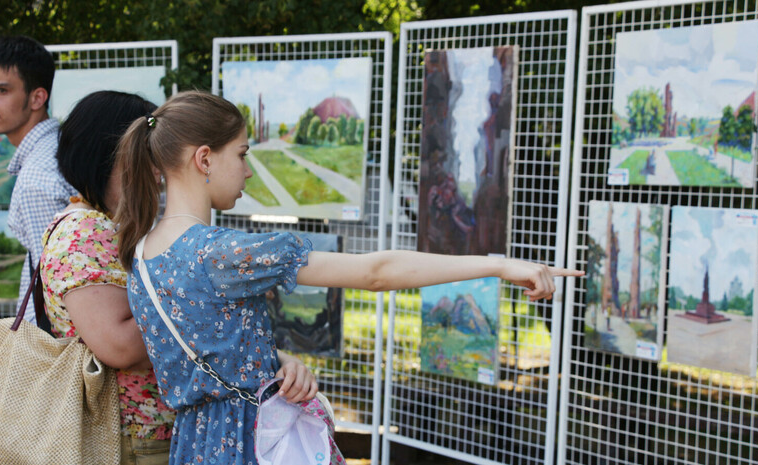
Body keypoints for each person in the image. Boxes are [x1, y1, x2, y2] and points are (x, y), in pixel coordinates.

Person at [113, 91, 583, 465]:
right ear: (204, 159)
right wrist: (498, 265)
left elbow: (211, 345)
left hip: (194, 444)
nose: (249, 170)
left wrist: (278, 364)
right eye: (242, 153)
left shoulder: (144, 254)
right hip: (251, 440)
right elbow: (376, 272)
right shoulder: (220, 251)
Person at [39, 91, 176, 464]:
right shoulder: (84, 230)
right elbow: (121, 347)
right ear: (108, 158)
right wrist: (195, 298)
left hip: (143, 434)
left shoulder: (101, 225)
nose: (158, 173)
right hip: (130, 440)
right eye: (147, 157)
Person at [0, 35, 76, 322]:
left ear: (37, 97)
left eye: (0, 90)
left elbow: (55, 284)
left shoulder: (37, 179)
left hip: (52, 343)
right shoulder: (60, 147)